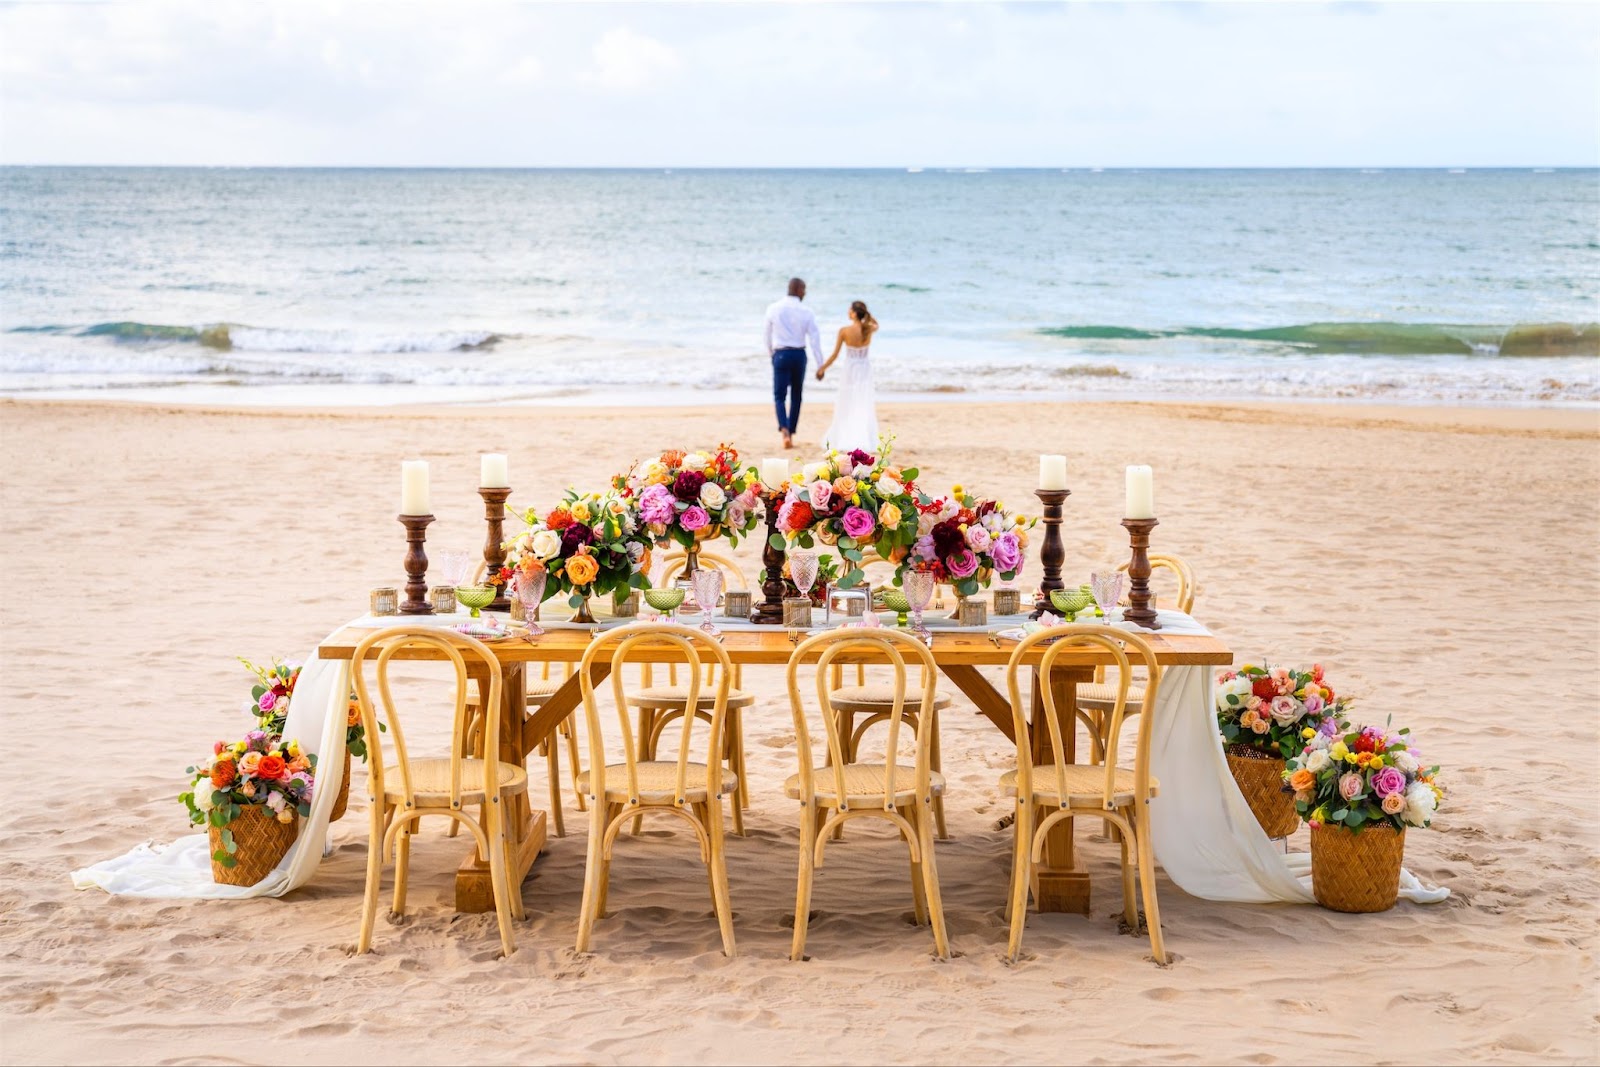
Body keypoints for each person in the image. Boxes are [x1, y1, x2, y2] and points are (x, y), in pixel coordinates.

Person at [764, 277, 822, 449]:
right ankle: (791, 430)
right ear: (798, 290)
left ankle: (784, 431)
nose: (805, 293)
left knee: (779, 396)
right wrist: (820, 364)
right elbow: (815, 339)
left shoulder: (773, 308)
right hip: (798, 355)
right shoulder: (807, 311)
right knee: (796, 395)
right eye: (804, 290)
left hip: (780, 353)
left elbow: (766, 335)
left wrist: (771, 354)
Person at [817, 300, 880, 453]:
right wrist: (868, 316)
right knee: (862, 402)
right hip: (864, 368)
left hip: (850, 369)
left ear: (853, 313)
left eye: (850, 310)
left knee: (846, 402)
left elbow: (834, 355)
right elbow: (876, 324)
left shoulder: (844, 331)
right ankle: (863, 435)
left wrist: (822, 369)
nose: (848, 312)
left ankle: (846, 435)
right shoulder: (869, 328)